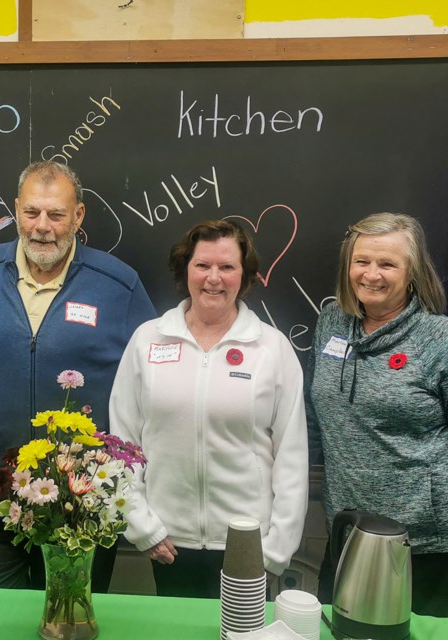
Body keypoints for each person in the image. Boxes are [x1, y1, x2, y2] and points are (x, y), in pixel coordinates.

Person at [0, 161, 157, 591]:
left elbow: (150, 385)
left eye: (57, 215)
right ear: (16, 210)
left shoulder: (119, 286)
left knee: (68, 623)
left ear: (78, 217)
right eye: (32, 213)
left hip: (80, 501)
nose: (42, 227)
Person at [307, 212, 448, 617]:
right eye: (362, 261)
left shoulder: (443, 339)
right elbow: (313, 420)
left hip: (429, 544)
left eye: (387, 264)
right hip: (349, 531)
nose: (371, 274)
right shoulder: (330, 325)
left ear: (411, 272)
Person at [109, 219, 308, 599]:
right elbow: (123, 443)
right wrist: (140, 525)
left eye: (227, 267)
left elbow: (292, 456)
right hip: (166, 542)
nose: (213, 278)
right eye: (202, 265)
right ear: (186, 269)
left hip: (248, 545)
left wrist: (276, 550)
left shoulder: (271, 348)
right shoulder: (147, 341)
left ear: (244, 275)